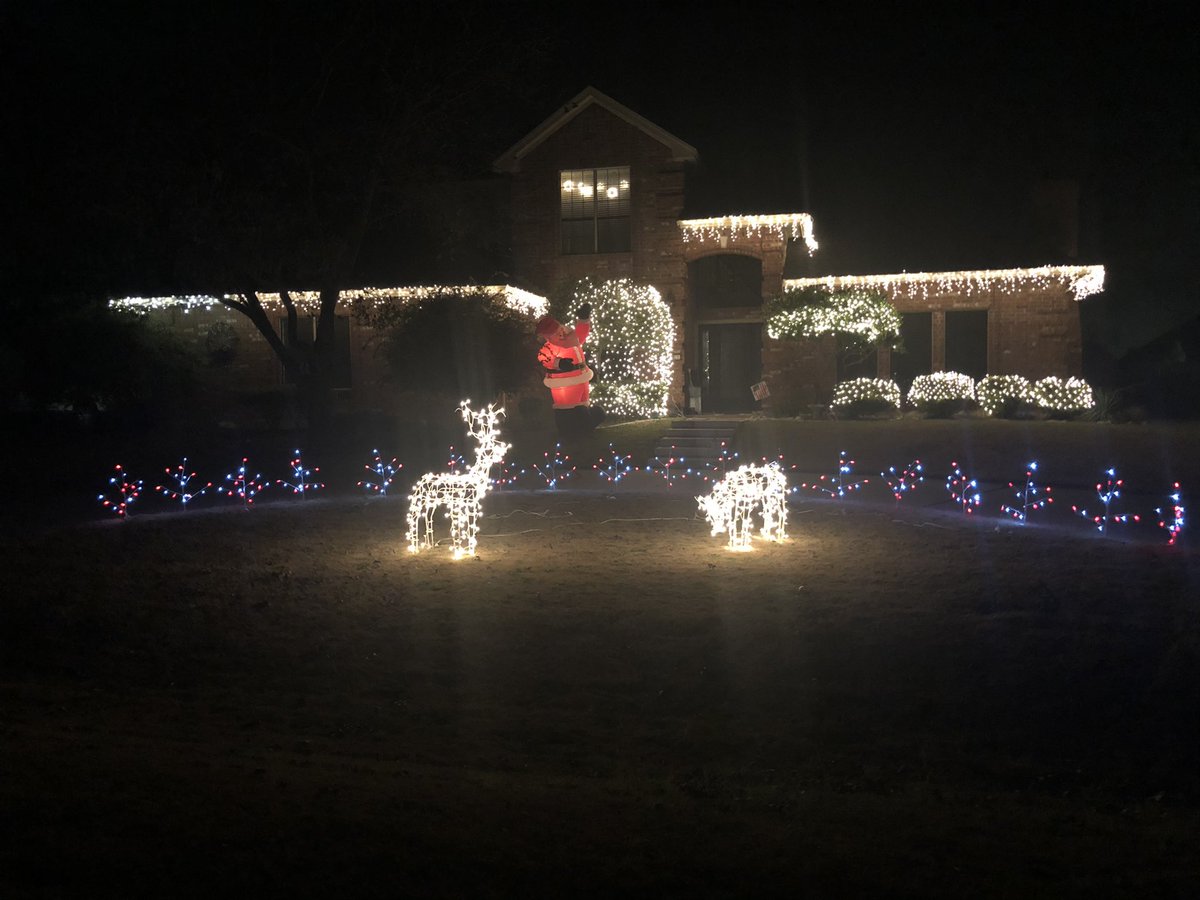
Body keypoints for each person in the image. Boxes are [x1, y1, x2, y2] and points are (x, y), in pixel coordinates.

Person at [535, 304, 605, 434]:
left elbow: (582, 333)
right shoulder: (550, 347)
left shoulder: (572, 339)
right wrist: (559, 363)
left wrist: (583, 319)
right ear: (548, 337)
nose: (560, 333)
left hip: (582, 379)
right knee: (569, 409)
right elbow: (544, 358)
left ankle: (586, 424)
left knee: (583, 405)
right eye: (556, 333)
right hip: (565, 384)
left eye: (560, 329)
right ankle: (571, 428)